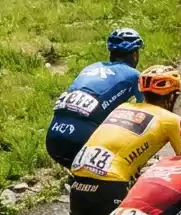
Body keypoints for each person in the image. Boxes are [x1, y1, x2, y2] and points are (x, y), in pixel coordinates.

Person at [62, 66, 181, 215]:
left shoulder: (123, 107)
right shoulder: (171, 120)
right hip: (110, 183)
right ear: (171, 97)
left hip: (78, 178)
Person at [43, 29, 145, 170]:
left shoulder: (91, 67)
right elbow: (147, 110)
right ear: (135, 54)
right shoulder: (134, 75)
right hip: (83, 139)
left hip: (53, 140)